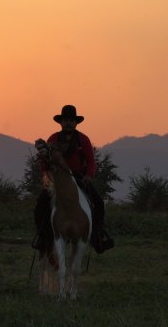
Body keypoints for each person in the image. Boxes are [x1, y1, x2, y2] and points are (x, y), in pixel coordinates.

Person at [32, 105, 114, 254]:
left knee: (99, 203)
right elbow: (44, 162)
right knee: (41, 205)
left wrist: (89, 176)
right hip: (56, 180)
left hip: (79, 179)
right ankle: (42, 236)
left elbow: (91, 162)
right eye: (66, 120)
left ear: (76, 123)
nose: (68, 123)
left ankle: (98, 236)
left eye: (71, 120)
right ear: (61, 122)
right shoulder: (53, 139)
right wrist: (46, 177)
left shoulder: (83, 140)